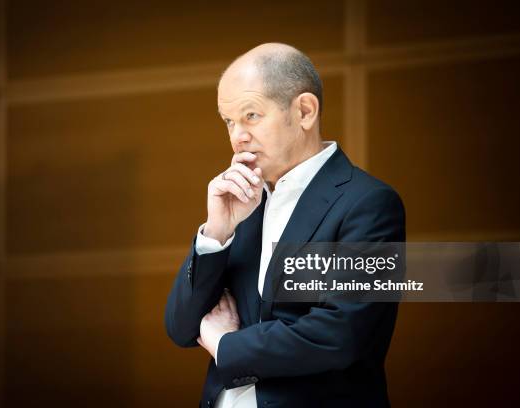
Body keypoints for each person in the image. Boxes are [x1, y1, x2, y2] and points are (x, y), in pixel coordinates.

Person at [165, 43, 405, 408]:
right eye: (229, 121)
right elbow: (181, 328)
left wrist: (225, 345)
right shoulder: (242, 202)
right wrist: (216, 233)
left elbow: (340, 334)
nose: (237, 136)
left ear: (305, 111)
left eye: (251, 115)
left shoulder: (369, 204)